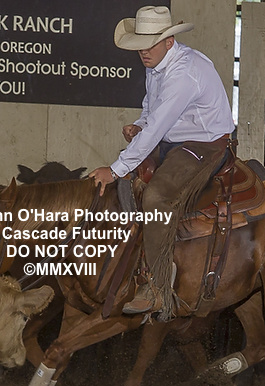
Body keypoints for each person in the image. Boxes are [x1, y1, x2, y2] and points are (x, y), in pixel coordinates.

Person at [89, 5, 235, 321]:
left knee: (156, 196)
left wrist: (115, 169)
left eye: (150, 44)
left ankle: (157, 285)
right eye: (140, 45)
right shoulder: (157, 64)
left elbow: (158, 127)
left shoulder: (184, 73)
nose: (143, 52)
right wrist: (140, 125)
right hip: (174, 141)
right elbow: (151, 111)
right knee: (132, 186)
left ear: (169, 41)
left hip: (204, 145)